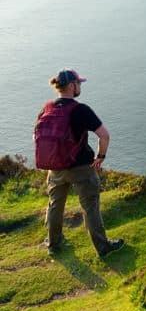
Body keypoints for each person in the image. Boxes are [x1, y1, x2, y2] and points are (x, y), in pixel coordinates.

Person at [34, 68, 124, 257]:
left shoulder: (47, 108)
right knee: (90, 206)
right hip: (81, 167)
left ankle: (53, 243)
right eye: (79, 83)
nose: (80, 86)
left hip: (55, 167)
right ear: (72, 86)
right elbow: (104, 136)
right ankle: (103, 248)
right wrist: (100, 157)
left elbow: (38, 134)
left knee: (55, 205)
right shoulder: (81, 109)